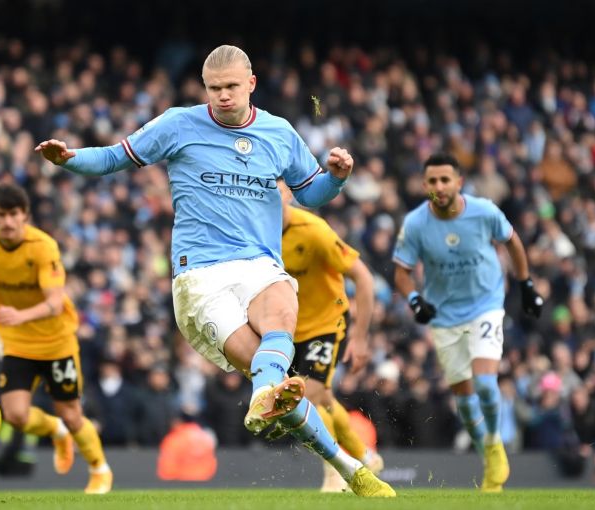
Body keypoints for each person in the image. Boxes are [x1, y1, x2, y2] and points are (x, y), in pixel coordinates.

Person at [36, 44, 394, 497]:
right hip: (200, 277)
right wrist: (70, 159)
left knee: (282, 329)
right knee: (278, 383)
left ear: (251, 85)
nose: (222, 96)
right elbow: (113, 157)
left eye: (230, 87)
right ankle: (341, 461)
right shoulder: (177, 124)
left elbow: (311, 195)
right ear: (204, 88)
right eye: (214, 88)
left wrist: (338, 177)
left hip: (260, 265)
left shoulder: (279, 133)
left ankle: (351, 472)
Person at [393, 153, 544, 492]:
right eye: (432, 181)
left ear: (459, 182)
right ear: (424, 185)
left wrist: (526, 284)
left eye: (445, 180)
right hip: (444, 317)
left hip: (485, 306)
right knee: (464, 401)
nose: (439, 187)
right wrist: (415, 300)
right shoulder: (416, 224)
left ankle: (494, 442)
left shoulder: (484, 212)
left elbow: (513, 242)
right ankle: (486, 452)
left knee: (487, 384)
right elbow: (402, 272)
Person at [0, 183, 112, 494]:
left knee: (72, 414)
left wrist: (21, 315)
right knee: (15, 415)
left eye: (13, 214)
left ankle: (99, 470)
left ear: (25, 216)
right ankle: (54, 429)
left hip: (57, 343)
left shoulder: (42, 246)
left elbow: (55, 303)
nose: (7, 222)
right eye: (0, 215)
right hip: (18, 345)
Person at [278, 181, 384, 492]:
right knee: (321, 397)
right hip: (286, 328)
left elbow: (363, 277)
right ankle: (364, 454)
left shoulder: (314, 231)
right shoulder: (255, 233)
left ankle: (335, 472)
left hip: (326, 323)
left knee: (309, 395)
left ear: (286, 196)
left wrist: (361, 337)